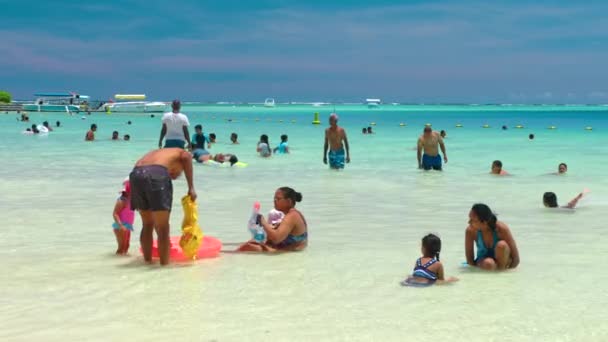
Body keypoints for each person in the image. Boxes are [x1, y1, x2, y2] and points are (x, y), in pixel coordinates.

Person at [129, 148, 196, 265]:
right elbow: (186, 157)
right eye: (174, 174)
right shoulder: (182, 152)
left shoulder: (159, 153)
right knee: (163, 227)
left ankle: (147, 262)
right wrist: (191, 187)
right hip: (156, 174)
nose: (173, 176)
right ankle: (164, 266)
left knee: (147, 224)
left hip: (136, 174)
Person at [237, 187, 308, 252]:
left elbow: (276, 239)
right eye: (274, 198)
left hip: (287, 252)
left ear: (289, 201)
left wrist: (263, 222)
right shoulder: (294, 214)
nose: (274, 201)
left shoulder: (292, 216)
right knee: (254, 241)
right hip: (287, 248)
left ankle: (231, 256)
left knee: (249, 246)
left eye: (278, 199)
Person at [465, 204, 520, 270]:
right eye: (469, 218)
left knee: (502, 245)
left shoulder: (501, 229)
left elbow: (516, 259)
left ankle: (500, 273)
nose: (469, 222)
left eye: (472, 220)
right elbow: (470, 260)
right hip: (484, 262)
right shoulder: (470, 231)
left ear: (484, 222)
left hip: (504, 262)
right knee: (489, 263)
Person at [112, 179, 135, 255]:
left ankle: (122, 260)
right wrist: (121, 225)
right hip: (121, 225)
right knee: (121, 247)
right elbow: (115, 213)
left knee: (127, 246)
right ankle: (116, 262)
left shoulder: (131, 200)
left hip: (128, 226)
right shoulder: (122, 200)